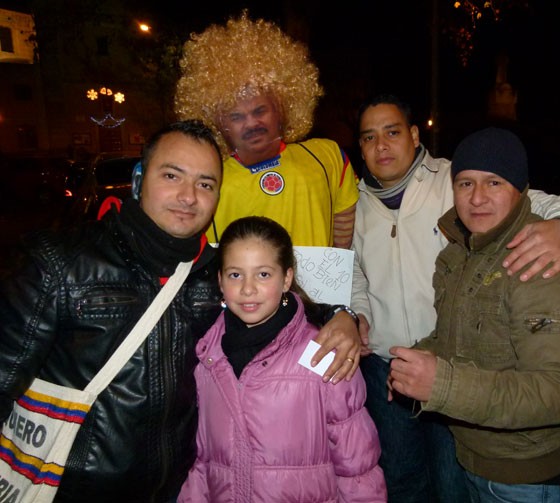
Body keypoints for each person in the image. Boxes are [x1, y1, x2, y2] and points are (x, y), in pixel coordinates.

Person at [0, 120, 360, 503]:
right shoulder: (60, 263)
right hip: (70, 490)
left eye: (205, 184)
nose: (188, 197)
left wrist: (342, 316)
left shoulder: (214, 273)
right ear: (139, 180)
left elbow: (284, 305)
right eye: (172, 176)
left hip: (178, 491)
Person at [351, 94, 560, 502]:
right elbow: (355, 267)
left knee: (453, 482)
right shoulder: (352, 202)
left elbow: (551, 203)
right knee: (403, 479)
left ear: (414, 135)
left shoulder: (455, 180)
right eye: (369, 137)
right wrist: (359, 312)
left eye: (392, 132)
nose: (382, 146)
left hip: (457, 365)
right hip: (387, 363)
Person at [177, 216, 386, 502]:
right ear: (220, 281)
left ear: (286, 278)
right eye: (235, 275)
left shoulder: (325, 353)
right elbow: (203, 462)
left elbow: (358, 468)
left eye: (263, 274)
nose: (248, 289)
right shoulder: (207, 357)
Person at [174, 13, 359, 249]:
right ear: (217, 123)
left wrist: (335, 260)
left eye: (260, 110)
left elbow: (346, 214)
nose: (252, 123)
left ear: (282, 108)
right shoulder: (208, 178)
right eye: (237, 116)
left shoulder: (326, 156)